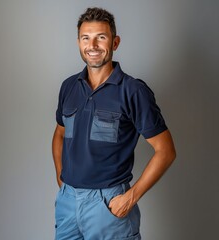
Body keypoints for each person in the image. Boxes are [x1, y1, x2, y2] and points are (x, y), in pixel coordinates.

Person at [52, 7, 176, 240]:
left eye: (101, 37)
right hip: (67, 204)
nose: (93, 46)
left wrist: (131, 197)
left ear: (115, 42)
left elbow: (166, 151)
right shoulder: (68, 87)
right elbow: (59, 134)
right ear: (78, 42)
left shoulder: (133, 91)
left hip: (107, 205)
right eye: (86, 38)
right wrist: (62, 180)